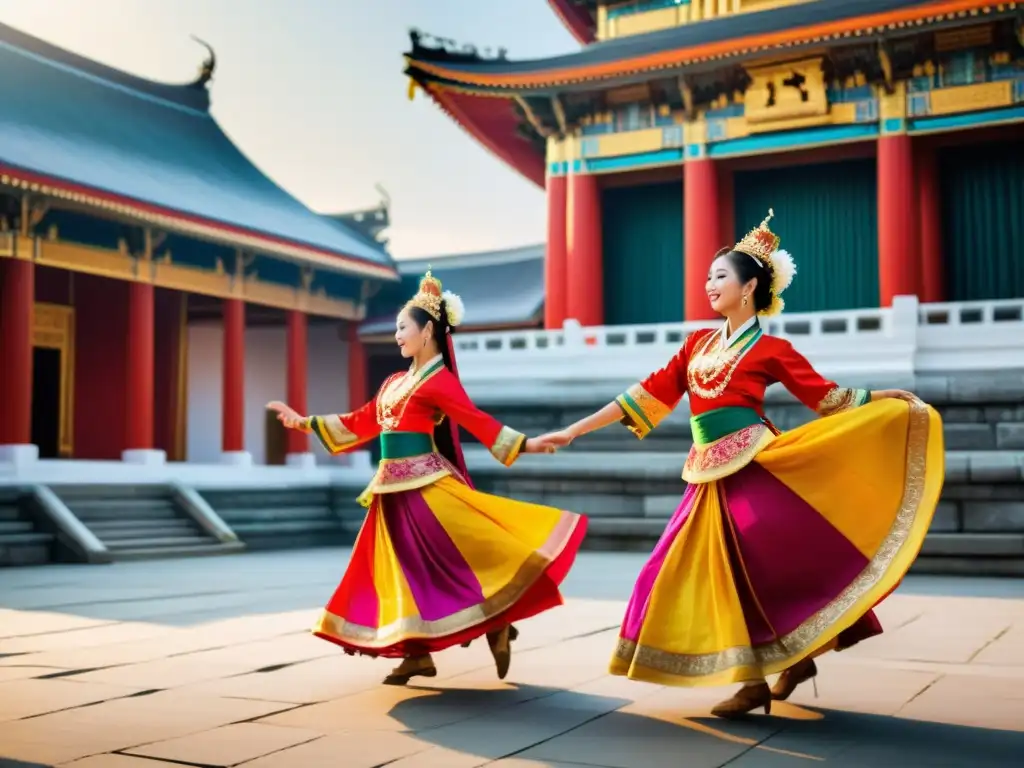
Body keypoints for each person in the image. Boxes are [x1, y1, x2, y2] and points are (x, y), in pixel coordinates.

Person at [539, 210, 944, 718]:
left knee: (765, 563)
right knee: (667, 573)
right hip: (706, 475)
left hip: (757, 467)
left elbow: (827, 397)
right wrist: (573, 430)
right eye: (708, 276)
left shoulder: (772, 349)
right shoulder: (695, 346)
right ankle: (768, 672)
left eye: (720, 276)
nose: (709, 285)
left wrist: (881, 397)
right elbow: (641, 396)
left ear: (750, 286)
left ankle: (775, 668)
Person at [267, 270, 587, 686]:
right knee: (405, 574)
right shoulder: (394, 382)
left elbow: (477, 420)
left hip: (428, 492)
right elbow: (361, 421)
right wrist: (303, 422)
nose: (397, 336)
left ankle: (497, 621)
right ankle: (417, 653)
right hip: (390, 495)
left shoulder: (439, 382)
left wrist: (528, 444)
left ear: (428, 330)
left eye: (403, 328)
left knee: (462, 559)